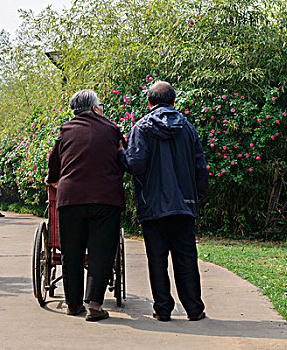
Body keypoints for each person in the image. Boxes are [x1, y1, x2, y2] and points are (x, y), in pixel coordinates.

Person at [118, 81, 208, 322]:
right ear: (173, 101)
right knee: (186, 258)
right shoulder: (187, 128)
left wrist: (120, 155)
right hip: (184, 205)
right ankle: (194, 308)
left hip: (152, 205)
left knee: (157, 259)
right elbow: (200, 166)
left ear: (149, 102)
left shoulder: (141, 128)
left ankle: (163, 309)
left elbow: (136, 165)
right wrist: (196, 196)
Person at [46, 89, 126, 322]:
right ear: (94, 108)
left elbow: (54, 167)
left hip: (70, 199)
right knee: (101, 251)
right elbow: (122, 160)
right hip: (106, 199)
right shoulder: (112, 129)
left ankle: (72, 304)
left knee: (71, 252)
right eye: (100, 105)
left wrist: (53, 179)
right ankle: (94, 304)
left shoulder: (65, 130)